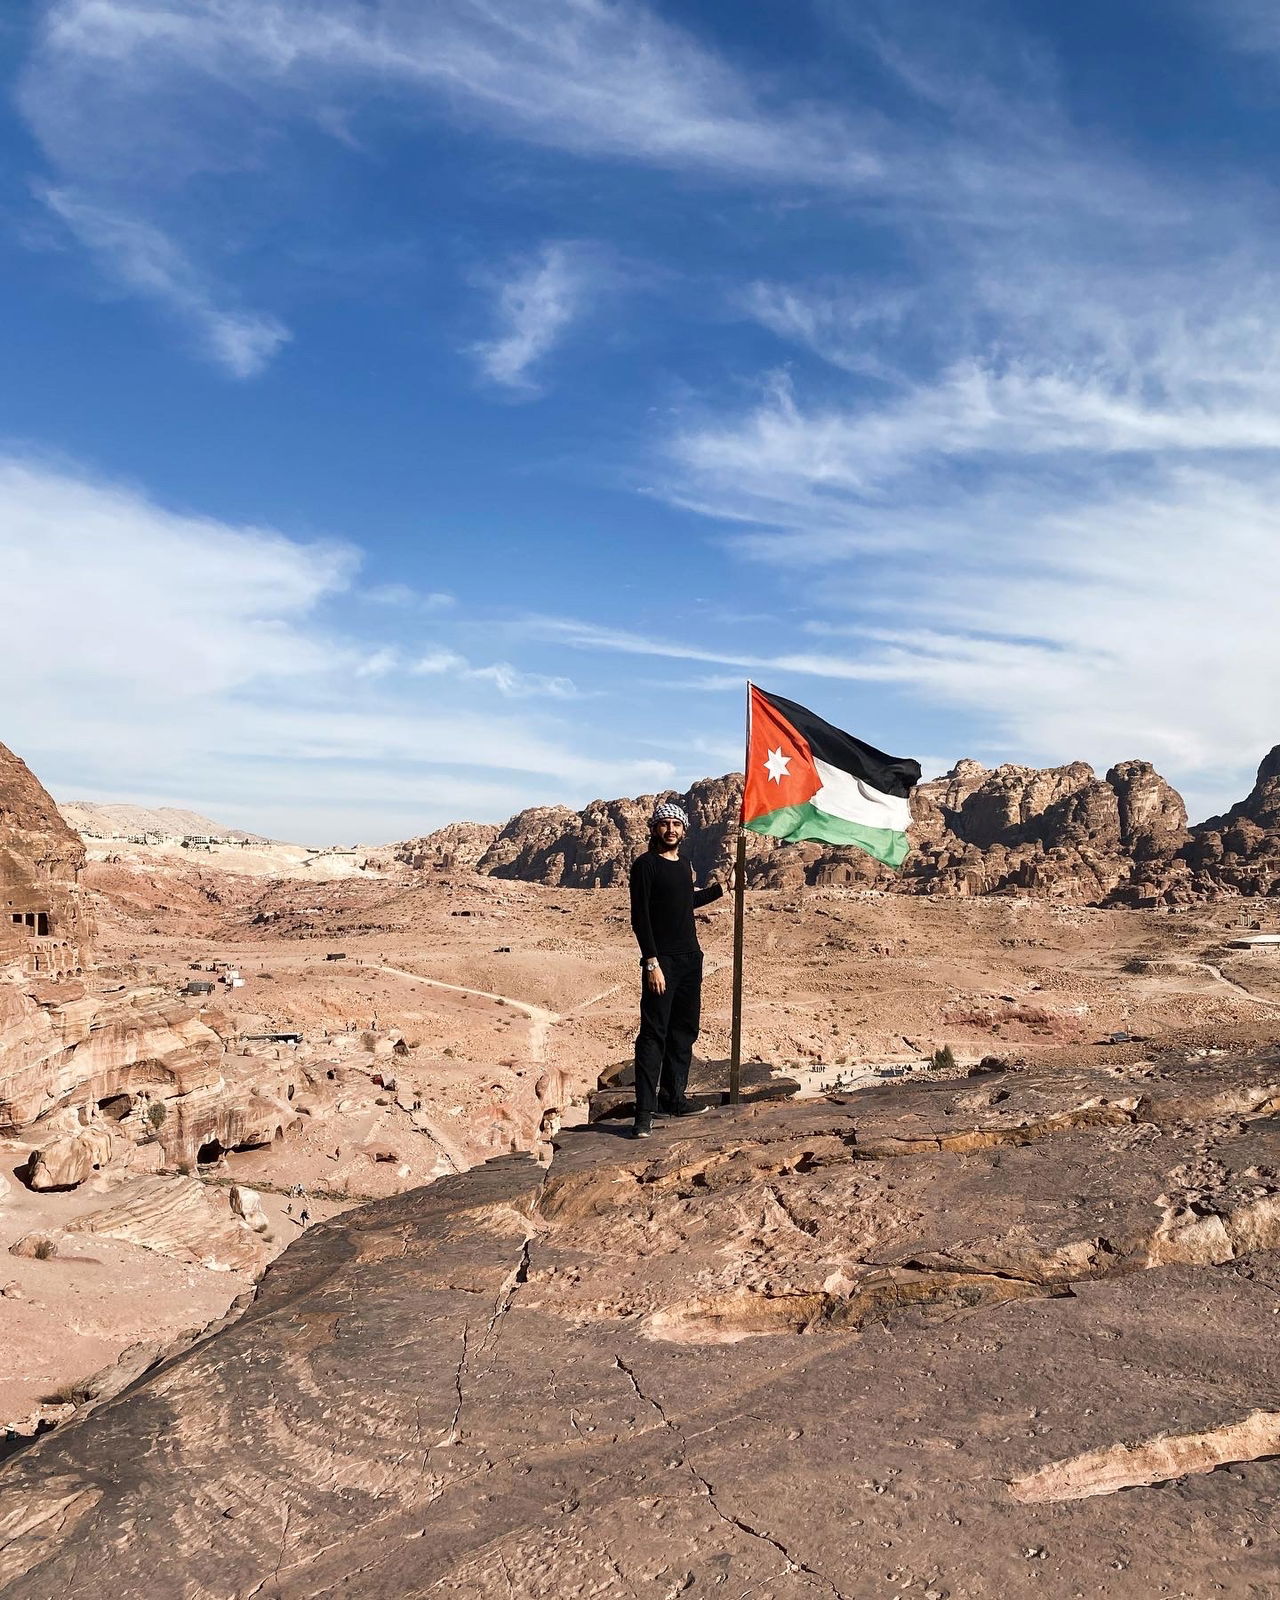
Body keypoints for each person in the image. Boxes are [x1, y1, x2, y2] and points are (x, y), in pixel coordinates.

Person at [628, 801, 729, 1138]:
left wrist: (721, 890)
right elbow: (640, 917)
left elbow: (685, 902)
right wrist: (651, 962)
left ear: (684, 830)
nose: (670, 830)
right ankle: (644, 1113)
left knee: (684, 1031)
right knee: (653, 1035)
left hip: (690, 958)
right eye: (664, 824)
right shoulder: (645, 865)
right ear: (654, 828)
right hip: (663, 961)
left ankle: (674, 1097)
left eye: (676, 824)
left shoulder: (684, 864)